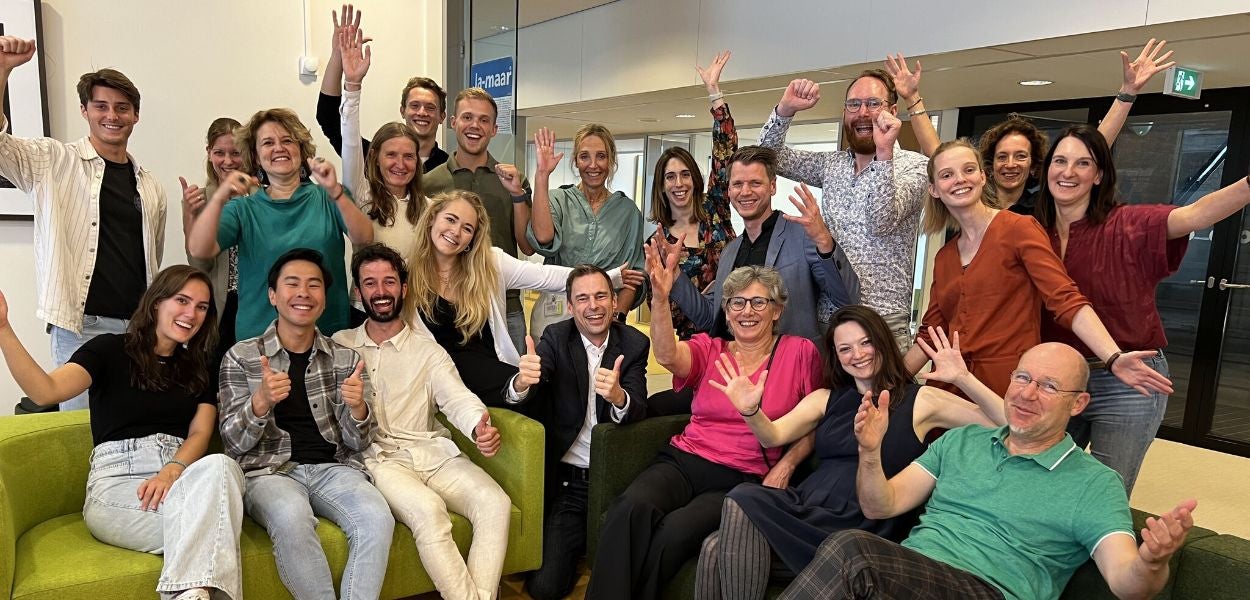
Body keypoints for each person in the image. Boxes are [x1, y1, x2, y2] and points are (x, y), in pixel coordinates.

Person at [779, 343, 1198, 600]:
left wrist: (1151, 562)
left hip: (990, 591)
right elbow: (879, 504)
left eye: (1050, 386)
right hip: (908, 579)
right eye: (1023, 377)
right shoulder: (961, 442)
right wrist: (869, 452)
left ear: (1078, 404)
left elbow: (1127, 583)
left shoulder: (1094, 483)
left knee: (853, 549)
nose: (1028, 394)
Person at [696, 308, 1008, 600]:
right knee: (713, 546)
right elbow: (772, 436)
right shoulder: (826, 398)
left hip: (862, 521)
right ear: (836, 356)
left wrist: (964, 379)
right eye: (845, 349)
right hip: (806, 508)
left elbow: (1009, 424)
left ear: (882, 342)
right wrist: (751, 412)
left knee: (738, 501)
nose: (857, 355)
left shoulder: (921, 400)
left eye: (865, 343)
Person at [0, 265, 244, 600]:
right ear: (157, 302)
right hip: (118, 485)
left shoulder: (200, 369)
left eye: (202, 307)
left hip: (178, 480)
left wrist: (173, 468)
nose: (192, 314)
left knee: (222, 465)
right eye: (182, 300)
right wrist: (3, 329)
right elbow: (46, 391)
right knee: (216, 531)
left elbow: (200, 434)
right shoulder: (108, 350)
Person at [586, 263, 822, 600]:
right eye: (736, 303)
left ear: (777, 310)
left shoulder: (800, 353)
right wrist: (662, 297)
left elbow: (815, 421)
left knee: (673, 533)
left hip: (742, 476)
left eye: (759, 302)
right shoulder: (712, 349)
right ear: (726, 313)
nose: (747, 311)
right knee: (629, 508)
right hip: (685, 459)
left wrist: (787, 464)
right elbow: (668, 355)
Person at [1036, 124, 1250, 492]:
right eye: (1060, 161)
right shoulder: (1032, 232)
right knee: (1037, 479)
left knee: (1105, 490)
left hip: (1129, 376)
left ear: (1099, 174)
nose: (1068, 172)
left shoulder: (1129, 223)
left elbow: (1195, 215)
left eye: (1083, 163)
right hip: (1056, 377)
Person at [903, 139, 1172, 399]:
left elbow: (1064, 298)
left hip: (1008, 384)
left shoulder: (1018, 228)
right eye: (947, 174)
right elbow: (932, 332)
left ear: (983, 177)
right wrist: (890, 383)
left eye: (968, 170)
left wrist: (1112, 356)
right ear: (934, 189)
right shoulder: (945, 256)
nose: (960, 179)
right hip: (953, 384)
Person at [333, 244, 510, 600]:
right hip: (379, 460)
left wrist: (478, 426)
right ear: (358, 292)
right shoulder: (341, 345)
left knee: (495, 504)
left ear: (404, 287)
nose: (380, 292)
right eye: (370, 283)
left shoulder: (429, 350)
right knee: (430, 512)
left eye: (389, 282)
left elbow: (456, 396)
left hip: (433, 452)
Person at [0, 37, 167, 410]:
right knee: (84, 433)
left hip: (140, 329)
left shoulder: (150, 184)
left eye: (123, 108)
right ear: (84, 110)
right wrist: (3, 71)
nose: (113, 115)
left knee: (136, 428)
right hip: (81, 327)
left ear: (136, 115)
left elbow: (150, 261)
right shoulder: (53, 160)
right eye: (101, 106)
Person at [218, 248, 394, 600]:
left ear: (324, 299)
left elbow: (359, 443)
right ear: (273, 295)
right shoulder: (242, 356)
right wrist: (260, 402)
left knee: (378, 517)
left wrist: (358, 408)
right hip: (268, 473)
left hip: (334, 468)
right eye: (292, 283)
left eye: (314, 285)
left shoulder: (346, 359)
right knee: (291, 516)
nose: (303, 293)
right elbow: (233, 444)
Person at [886, 39, 1175, 215]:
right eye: (1002, 156)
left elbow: (1094, 147)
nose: (1010, 164)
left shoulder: (1044, 205)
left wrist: (1127, 94)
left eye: (1020, 156)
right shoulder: (974, 198)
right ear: (989, 165)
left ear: (1034, 164)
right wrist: (912, 98)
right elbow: (939, 155)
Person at [407, 190, 640, 407]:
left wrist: (608, 279)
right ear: (432, 219)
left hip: (495, 374)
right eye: (450, 219)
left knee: (546, 390)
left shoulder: (490, 263)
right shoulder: (406, 275)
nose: (456, 232)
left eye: (467, 228)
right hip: (444, 379)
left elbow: (546, 276)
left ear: (472, 239)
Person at [503, 264, 650, 600]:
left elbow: (638, 406)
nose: (593, 306)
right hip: (570, 482)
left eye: (601, 296)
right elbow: (533, 388)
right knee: (545, 587)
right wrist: (522, 382)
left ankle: (592, 540)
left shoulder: (634, 342)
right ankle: (581, 537)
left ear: (615, 302)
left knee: (633, 574)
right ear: (570, 306)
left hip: (614, 478)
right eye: (582, 298)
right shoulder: (557, 336)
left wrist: (619, 397)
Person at [758, 70, 929, 348]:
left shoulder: (914, 166)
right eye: (854, 104)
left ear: (893, 111)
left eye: (874, 104)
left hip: (882, 323)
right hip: (830, 319)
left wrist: (884, 155)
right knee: (826, 394)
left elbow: (880, 220)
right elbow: (767, 158)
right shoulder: (832, 165)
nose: (862, 113)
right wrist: (785, 110)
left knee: (884, 395)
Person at [186, 108, 374, 341]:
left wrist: (335, 191)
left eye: (287, 140)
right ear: (255, 156)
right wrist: (219, 197)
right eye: (267, 143)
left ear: (301, 150)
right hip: (259, 342)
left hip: (327, 339)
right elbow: (199, 250)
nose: (278, 148)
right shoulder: (243, 209)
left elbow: (364, 238)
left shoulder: (328, 196)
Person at [658, 146, 850, 349]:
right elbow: (710, 317)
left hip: (792, 367)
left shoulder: (803, 236)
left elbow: (845, 299)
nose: (745, 191)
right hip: (735, 368)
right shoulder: (730, 252)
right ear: (729, 190)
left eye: (755, 183)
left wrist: (824, 242)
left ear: (773, 186)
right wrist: (675, 274)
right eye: (738, 184)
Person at [644, 51, 739, 416]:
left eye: (685, 174)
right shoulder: (657, 243)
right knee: (694, 416)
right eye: (671, 176)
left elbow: (726, 154)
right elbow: (661, 305)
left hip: (738, 334)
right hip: (693, 347)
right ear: (662, 185)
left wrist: (714, 93)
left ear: (695, 179)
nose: (679, 183)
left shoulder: (716, 209)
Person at [425, 87, 534, 352]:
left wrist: (517, 194)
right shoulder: (429, 183)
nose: (475, 126)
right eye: (467, 117)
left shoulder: (513, 180)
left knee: (515, 387)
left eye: (484, 120)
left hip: (505, 305)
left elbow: (528, 246)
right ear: (453, 123)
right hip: (447, 306)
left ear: (495, 129)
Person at [529, 123, 647, 337]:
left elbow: (634, 276)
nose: (593, 165)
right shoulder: (558, 199)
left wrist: (618, 316)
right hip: (556, 314)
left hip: (602, 319)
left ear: (611, 161)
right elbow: (543, 238)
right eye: (584, 156)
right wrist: (542, 175)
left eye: (601, 156)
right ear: (575, 161)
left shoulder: (627, 211)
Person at [316, 4, 449, 171]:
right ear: (402, 111)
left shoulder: (448, 168)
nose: (422, 112)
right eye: (414, 105)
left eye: (430, 107)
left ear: (442, 116)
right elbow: (328, 119)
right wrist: (337, 55)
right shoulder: (375, 158)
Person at [336, 22, 425, 256]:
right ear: (375, 157)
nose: (400, 164)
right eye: (391, 155)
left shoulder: (429, 208)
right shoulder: (362, 195)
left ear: (417, 161)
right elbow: (351, 140)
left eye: (408, 156)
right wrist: (352, 86)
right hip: (366, 294)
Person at [181, 117, 243, 351]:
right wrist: (191, 216)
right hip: (218, 306)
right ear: (209, 153)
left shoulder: (262, 198)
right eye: (219, 153)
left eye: (235, 153)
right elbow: (199, 265)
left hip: (256, 305)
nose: (228, 161)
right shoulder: (198, 200)